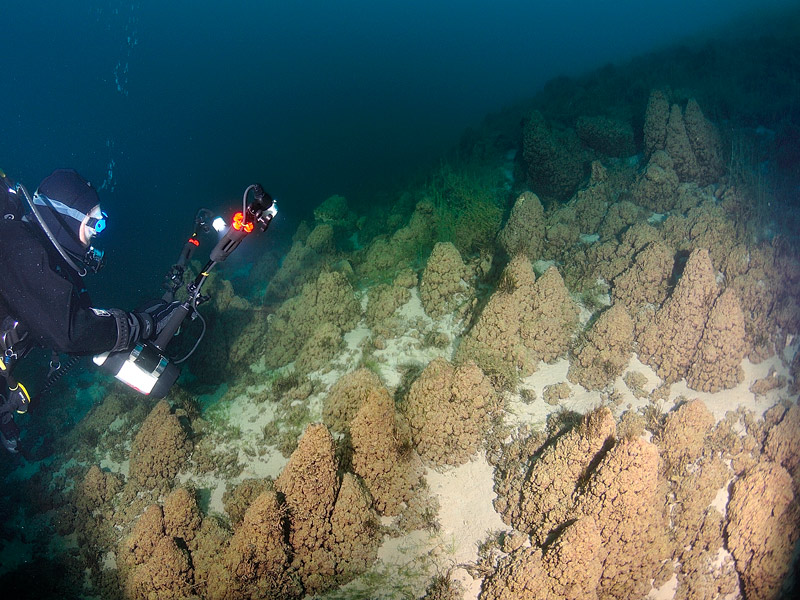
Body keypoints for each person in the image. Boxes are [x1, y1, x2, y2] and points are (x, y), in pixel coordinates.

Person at [0, 168, 180, 454]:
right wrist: (141, 324)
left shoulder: (39, 254)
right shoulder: (17, 247)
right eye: (94, 223)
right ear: (64, 221)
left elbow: (72, 322)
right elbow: (70, 331)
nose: (98, 233)